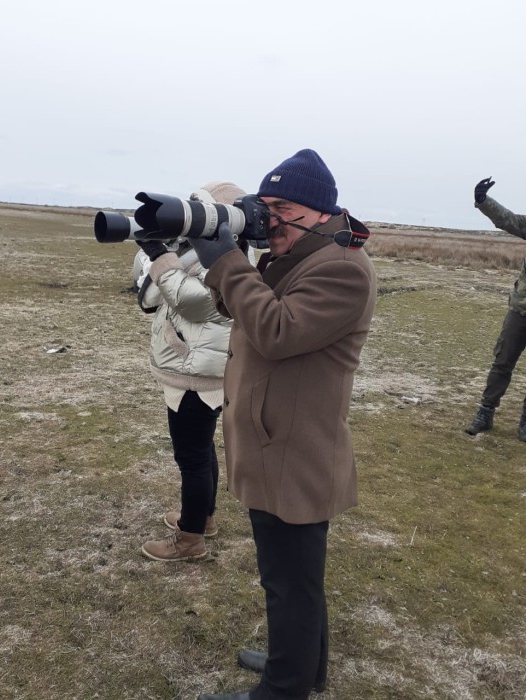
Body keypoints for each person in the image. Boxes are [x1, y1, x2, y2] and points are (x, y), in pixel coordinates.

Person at [188, 149, 377, 699]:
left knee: (288, 584)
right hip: (282, 440)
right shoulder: (305, 254)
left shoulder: (341, 268)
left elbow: (274, 329)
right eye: (264, 207)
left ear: (321, 211)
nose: (271, 219)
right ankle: (302, 668)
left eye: (282, 208)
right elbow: (251, 306)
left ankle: (283, 689)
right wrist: (234, 256)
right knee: (297, 579)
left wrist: (226, 261)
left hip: (294, 450)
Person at [137, 181, 250, 562]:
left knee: (192, 458)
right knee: (200, 451)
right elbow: (154, 297)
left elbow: (194, 302)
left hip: (197, 372)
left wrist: (157, 253)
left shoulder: (230, 257)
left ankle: (190, 539)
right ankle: (203, 517)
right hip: (200, 367)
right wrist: (165, 252)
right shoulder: (216, 253)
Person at [466, 177, 526, 442]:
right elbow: (507, 219)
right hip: (520, 311)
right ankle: (485, 412)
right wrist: (483, 200)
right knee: (502, 363)